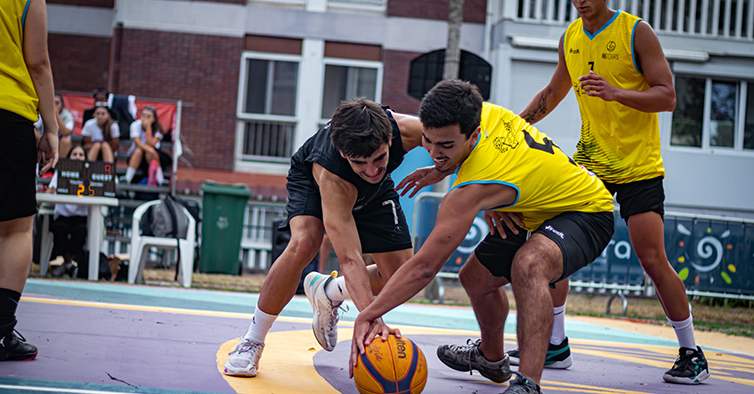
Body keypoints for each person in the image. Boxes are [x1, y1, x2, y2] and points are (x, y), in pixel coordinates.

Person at [350, 80, 615, 394]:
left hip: (588, 212)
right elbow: (495, 159)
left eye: (446, 146)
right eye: (428, 141)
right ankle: (491, 359)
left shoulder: (470, 191)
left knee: (529, 265)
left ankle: (528, 384)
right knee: (474, 279)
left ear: (473, 134)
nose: (434, 152)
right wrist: (445, 169)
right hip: (537, 210)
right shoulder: (484, 112)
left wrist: (369, 313)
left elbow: (424, 268)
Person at [514, 0, 710, 384]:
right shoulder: (570, 36)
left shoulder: (636, 32)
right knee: (550, 243)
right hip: (591, 163)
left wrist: (615, 92)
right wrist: (513, 125)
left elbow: (667, 96)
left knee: (652, 259)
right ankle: (555, 343)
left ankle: (692, 353)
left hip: (638, 167)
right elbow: (554, 92)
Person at [222, 98, 426, 377]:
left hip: (376, 192)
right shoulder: (333, 177)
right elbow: (350, 258)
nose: (371, 169)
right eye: (360, 162)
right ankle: (252, 341)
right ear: (344, 153)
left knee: (403, 277)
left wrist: (442, 169)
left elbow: (464, 142)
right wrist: (372, 317)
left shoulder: (411, 129)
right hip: (313, 180)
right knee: (305, 242)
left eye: (379, 158)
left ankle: (329, 292)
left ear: (389, 140)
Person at [0, 0, 58, 361]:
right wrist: (51, 126)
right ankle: (2, 331)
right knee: (15, 229)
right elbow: (37, 61)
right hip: (9, 113)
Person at [46, 145, 89, 277]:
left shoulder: (89, 173)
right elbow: (49, 191)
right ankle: (69, 264)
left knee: (80, 231)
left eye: (81, 155)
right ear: (69, 157)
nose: (78, 157)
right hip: (62, 217)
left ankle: (66, 265)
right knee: (59, 229)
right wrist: (52, 191)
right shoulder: (60, 172)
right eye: (75, 154)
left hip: (80, 217)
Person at [124, 106, 168, 186]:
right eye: (143, 115)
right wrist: (150, 150)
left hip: (154, 157)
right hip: (136, 156)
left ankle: (161, 181)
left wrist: (148, 128)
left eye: (148, 116)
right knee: (139, 151)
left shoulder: (158, 128)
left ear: (154, 119)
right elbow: (137, 143)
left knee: (149, 153)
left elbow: (151, 144)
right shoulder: (135, 125)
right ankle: (127, 179)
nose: (145, 119)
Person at [54, 94, 74, 158]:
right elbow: (35, 127)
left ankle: (59, 166)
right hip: (45, 139)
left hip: (59, 142)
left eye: (57, 103)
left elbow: (65, 132)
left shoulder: (67, 115)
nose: (54, 105)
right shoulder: (43, 112)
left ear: (62, 105)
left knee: (66, 140)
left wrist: (56, 114)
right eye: (52, 102)